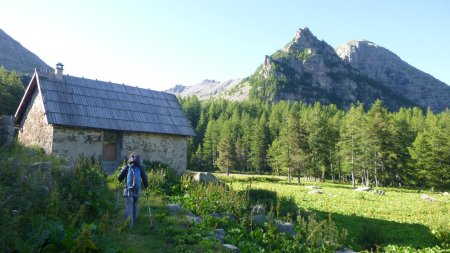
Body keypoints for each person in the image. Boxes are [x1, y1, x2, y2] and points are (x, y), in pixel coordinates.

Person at [118, 153, 148, 227]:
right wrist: (146, 186)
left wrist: (122, 173)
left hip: (128, 189)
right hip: (137, 189)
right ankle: (134, 220)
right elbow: (145, 178)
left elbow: (119, 178)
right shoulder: (141, 168)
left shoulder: (126, 167)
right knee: (135, 204)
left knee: (129, 205)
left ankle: (129, 224)